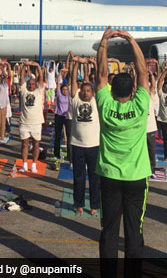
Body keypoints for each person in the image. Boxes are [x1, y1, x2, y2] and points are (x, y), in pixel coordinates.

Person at [96, 28, 150, 278]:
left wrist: (104, 43)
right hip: (136, 177)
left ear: (112, 90)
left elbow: (101, 74)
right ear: (133, 91)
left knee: (109, 230)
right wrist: (131, 41)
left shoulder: (104, 104)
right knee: (133, 231)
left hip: (109, 177)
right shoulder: (141, 104)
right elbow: (142, 71)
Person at [70, 56, 100, 216]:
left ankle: (94, 205)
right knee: (79, 178)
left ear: (92, 92)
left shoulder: (96, 100)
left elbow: (100, 79)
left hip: (94, 146)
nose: (85, 92)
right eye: (84, 90)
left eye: (89, 90)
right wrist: (75, 63)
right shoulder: (75, 100)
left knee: (95, 179)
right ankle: (79, 204)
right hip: (77, 145)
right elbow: (73, 80)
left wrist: (94, 64)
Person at [18, 61, 46, 173]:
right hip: (24, 123)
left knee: (36, 144)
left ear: (36, 85)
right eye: (29, 84)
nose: (31, 85)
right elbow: (21, 77)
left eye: (33, 84)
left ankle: (34, 164)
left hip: (36, 123)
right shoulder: (24, 90)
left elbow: (41, 79)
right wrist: (24, 66)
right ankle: (24, 164)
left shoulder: (39, 91)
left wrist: (38, 66)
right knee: (24, 144)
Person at [54, 84, 72, 160]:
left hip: (67, 117)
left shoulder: (70, 96)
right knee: (57, 135)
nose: (65, 91)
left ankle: (70, 155)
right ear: (60, 91)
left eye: (66, 90)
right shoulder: (59, 95)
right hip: (58, 116)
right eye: (63, 90)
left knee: (69, 136)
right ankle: (56, 153)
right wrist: (60, 74)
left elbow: (71, 84)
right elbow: (58, 85)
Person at [0, 63, 11, 144]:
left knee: (2, 122)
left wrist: (2, 68)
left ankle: (1, 136)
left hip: (2, 105)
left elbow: (5, 76)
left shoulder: (4, 83)